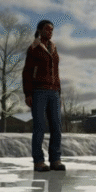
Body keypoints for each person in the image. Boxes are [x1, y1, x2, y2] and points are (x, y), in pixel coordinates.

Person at [22, 19, 65, 172]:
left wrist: (59, 93)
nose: (50, 32)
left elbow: (57, 73)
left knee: (56, 127)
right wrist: (28, 93)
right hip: (38, 92)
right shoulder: (33, 48)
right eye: (47, 29)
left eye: (52, 30)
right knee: (39, 127)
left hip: (54, 92)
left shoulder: (54, 48)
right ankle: (38, 161)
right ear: (40, 30)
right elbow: (26, 72)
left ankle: (55, 160)